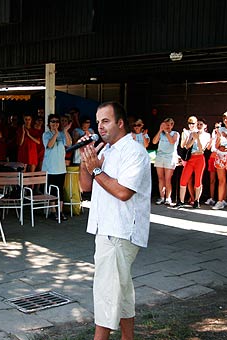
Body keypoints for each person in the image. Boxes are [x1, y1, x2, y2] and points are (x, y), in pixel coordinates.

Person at [79, 102, 151, 340]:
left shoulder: (134, 152)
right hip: (106, 229)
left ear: (121, 123)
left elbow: (123, 192)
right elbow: (85, 186)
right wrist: (85, 163)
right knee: (122, 291)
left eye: (106, 121)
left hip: (119, 232)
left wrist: (97, 170)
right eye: (98, 121)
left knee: (106, 294)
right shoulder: (105, 151)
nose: (100, 126)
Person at [42, 113, 72, 221]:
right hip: (50, 168)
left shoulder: (62, 134)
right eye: (52, 121)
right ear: (49, 123)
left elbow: (68, 144)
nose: (55, 123)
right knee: (51, 191)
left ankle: (60, 211)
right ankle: (53, 211)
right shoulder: (46, 134)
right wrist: (55, 133)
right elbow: (49, 145)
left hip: (61, 168)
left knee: (60, 190)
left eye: (57, 121)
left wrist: (65, 131)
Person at [174, 118, 211, 208]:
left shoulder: (207, 135)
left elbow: (202, 148)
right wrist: (193, 138)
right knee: (183, 179)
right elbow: (187, 146)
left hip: (200, 158)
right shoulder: (192, 133)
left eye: (201, 124)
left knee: (198, 181)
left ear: (205, 126)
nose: (199, 126)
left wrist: (197, 139)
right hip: (191, 158)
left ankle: (196, 200)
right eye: (198, 124)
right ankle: (181, 201)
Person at [152, 117, 179, 205]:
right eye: (165, 125)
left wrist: (167, 132)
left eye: (168, 125)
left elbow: (172, 142)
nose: (167, 126)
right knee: (160, 178)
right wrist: (160, 130)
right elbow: (154, 142)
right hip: (160, 156)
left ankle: (168, 198)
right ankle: (162, 197)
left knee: (168, 179)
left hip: (170, 157)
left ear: (172, 125)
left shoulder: (175, 133)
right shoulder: (161, 133)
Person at [204, 122, 221, 206]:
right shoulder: (213, 136)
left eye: (218, 127)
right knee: (212, 179)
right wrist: (212, 138)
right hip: (212, 157)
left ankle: (221, 199)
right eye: (215, 127)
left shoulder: (222, 136)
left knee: (221, 180)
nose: (216, 129)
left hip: (220, 157)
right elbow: (208, 147)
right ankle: (211, 197)